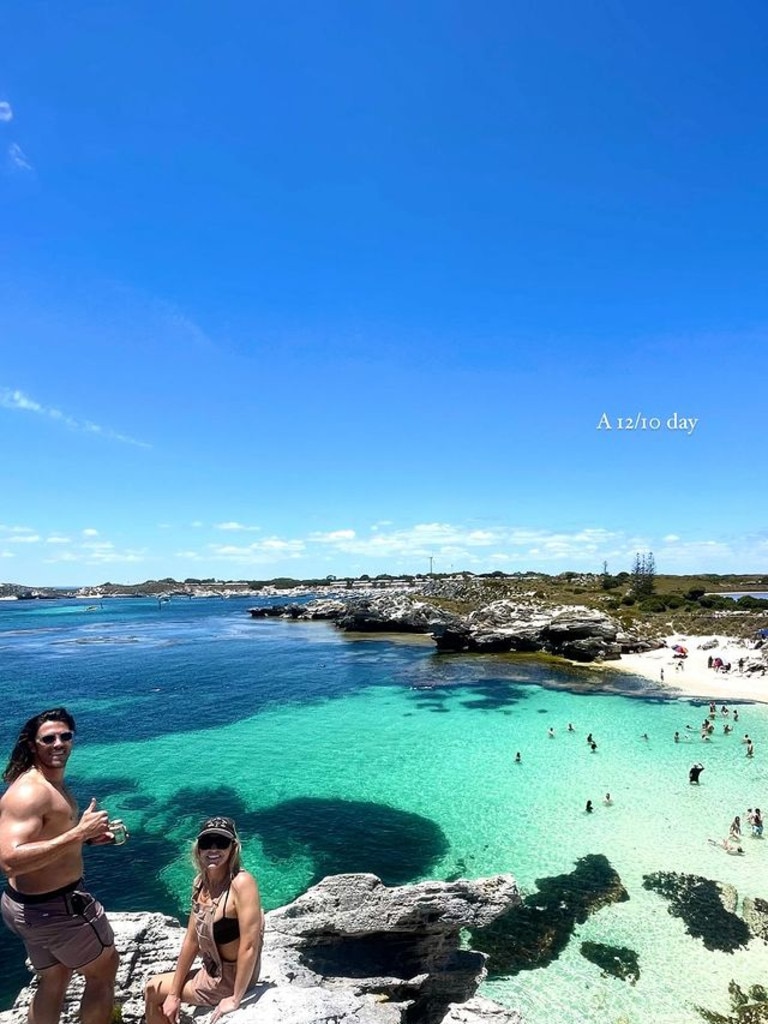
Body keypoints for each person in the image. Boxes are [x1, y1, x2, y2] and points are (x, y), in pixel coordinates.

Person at [0, 707, 120, 1024]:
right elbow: (9, 861)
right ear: (32, 745)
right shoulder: (29, 793)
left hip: (29, 909)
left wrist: (87, 838)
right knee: (104, 971)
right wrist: (79, 832)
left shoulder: (49, 783)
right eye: (48, 738)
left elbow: (47, 839)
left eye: (65, 736)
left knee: (55, 977)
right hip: (56, 909)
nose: (58, 743)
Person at [144, 816, 264, 1024]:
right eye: (207, 843)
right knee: (159, 991)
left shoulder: (241, 883)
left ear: (233, 848)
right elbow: (191, 941)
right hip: (211, 970)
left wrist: (235, 999)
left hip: (230, 980)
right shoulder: (201, 883)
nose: (213, 849)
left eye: (222, 842)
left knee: (151, 990)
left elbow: (250, 946)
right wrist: (174, 995)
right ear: (198, 848)